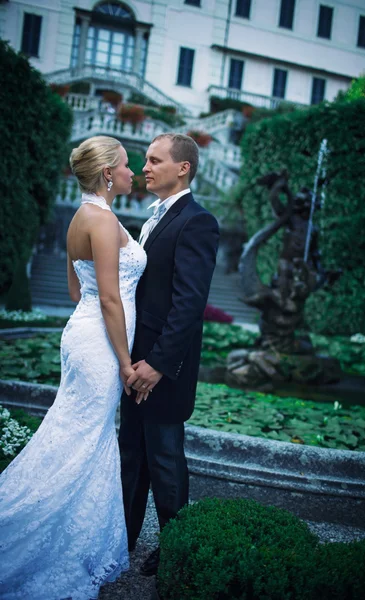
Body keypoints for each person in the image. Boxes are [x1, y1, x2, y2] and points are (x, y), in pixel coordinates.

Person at [0, 135, 147, 599]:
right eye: (126, 165)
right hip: (101, 345)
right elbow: (107, 298)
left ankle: (70, 534)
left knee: (75, 432)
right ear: (107, 174)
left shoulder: (79, 218)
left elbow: (75, 291)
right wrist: (126, 363)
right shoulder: (100, 220)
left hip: (81, 335)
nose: (132, 171)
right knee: (82, 436)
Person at [118, 133, 219, 577]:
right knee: (132, 454)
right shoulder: (153, 218)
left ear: (183, 168)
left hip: (163, 366)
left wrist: (158, 364)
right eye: (144, 160)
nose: (145, 167)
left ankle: (174, 549)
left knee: (164, 457)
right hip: (134, 362)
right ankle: (123, 536)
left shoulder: (197, 221)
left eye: (154, 160)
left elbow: (189, 304)